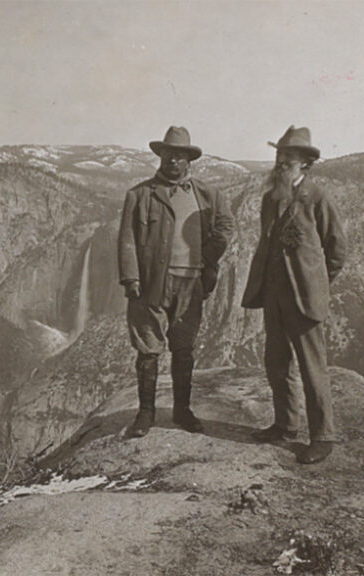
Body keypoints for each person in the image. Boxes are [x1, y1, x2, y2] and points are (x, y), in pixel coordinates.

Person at [117, 126, 235, 438]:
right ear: (160, 156)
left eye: (179, 156)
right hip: (152, 284)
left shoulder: (208, 195)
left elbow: (225, 225)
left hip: (192, 283)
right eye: (168, 154)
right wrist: (131, 278)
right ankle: (146, 414)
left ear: (189, 161)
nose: (173, 161)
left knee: (184, 349)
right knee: (148, 349)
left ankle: (182, 410)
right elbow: (127, 239)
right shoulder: (140, 195)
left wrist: (210, 255)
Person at [242, 126, 346, 464]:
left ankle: (323, 436)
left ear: (306, 165)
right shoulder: (271, 199)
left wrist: (316, 282)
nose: (281, 164)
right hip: (274, 295)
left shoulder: (318, 198)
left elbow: (336, 250)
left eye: (289, 159)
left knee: (311, 367)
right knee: (276, 362)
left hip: (304, 298)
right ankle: (286, 425)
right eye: (279, 157)